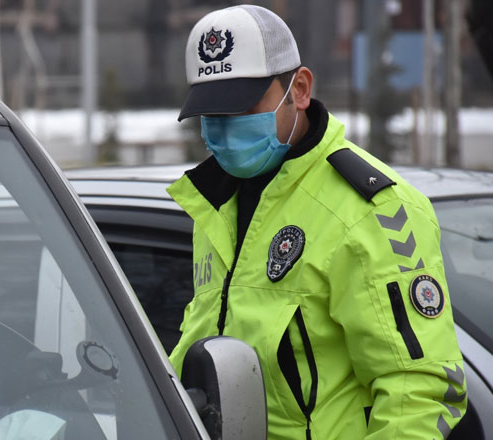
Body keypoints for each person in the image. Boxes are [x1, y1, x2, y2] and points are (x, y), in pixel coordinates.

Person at [167, 5, 466, 439]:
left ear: (300, 89)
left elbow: (420, 388)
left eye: (244, 107)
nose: (227, 131)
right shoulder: (215, 203)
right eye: (212, 114)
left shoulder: (371, 210)